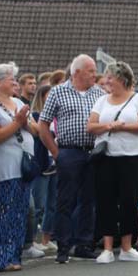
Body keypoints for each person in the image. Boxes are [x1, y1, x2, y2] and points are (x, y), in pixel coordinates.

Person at [38, 54, 103, 263]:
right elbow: (43, 124)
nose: (94, 75)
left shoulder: (99, 93)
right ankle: (63, 247)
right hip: (69, 151)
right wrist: (56, 152)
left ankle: (84, 243)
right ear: (77, 72)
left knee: (89, 200)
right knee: (65, 200)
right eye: (91, 71)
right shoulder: (58, 92)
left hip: (93, 151)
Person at [86, 61, 138, 264]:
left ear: (122, 79)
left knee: (129, 200)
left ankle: (126, 247)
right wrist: (109, 126)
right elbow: (91, 126)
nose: (107, 81)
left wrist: (123, 127)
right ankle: (107, 248)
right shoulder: (102, 100)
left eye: (110, 78)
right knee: (105, 200)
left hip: (132, 156)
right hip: (106, 157)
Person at [0, 63, 38, 273]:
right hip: (4, 168)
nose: (15, 82)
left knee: (19, 213)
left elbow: (35, 129)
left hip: (23, 166)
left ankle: (14, 256)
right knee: (2, 213)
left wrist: (25, 123)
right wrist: (17, 123)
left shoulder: (18, 102)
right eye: (10, 79)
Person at [28, 82, 58, 256]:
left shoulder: (57, 116)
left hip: (55, 162)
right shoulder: (36, 115)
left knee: (52, 203)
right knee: (38, 204)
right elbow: (39, 135)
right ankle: (32, 240)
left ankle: (47, 238)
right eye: (49, 95)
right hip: (42, 164)